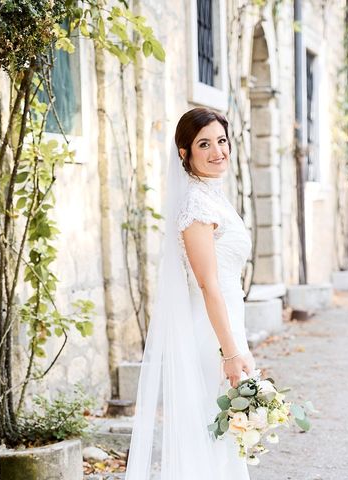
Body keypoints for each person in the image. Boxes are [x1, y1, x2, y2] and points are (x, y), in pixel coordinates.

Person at [125, 107, 255, 480]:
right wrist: (230, 351)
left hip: (227, 325)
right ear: (185, 154)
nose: (218, 151)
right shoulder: (196, 205)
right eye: (204, 144)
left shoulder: (212, 196)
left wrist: (237, 344)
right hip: (210, 333)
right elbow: (207, 284)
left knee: (227, 436)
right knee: (213, 432)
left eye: (222, 141)